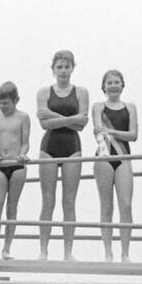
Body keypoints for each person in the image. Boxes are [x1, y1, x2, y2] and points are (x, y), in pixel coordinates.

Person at [36, 50, 89, 261]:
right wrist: (71, 118)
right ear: (53, 69)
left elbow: (83, 124)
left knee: (69, 201)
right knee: (47, 201)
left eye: (67, 67)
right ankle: (43, 250)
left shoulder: (81, 92)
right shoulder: (44, 92)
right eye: (59, 67)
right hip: (49, 146)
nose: (63, 71)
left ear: (73, 68)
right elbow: (43, 123)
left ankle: (68, 251)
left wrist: (53, 115)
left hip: (72, 146)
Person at [91, 69, 137, 262]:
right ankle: (108, 251)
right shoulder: (98, 106)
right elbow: (98, 133)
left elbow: (133, 135)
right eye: (109, 82)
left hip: (124, 156)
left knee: (126, 205)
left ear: (122, 84)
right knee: (106, 205)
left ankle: (125, 252)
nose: (113, 85)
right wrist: (109, 134)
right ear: (104, 86)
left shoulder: (130, 107)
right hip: (104, 155)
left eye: (117, 82)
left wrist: (110, 131)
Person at [0, 82, 30, 260]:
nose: (3, 107)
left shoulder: (23, 117)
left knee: (12, 206)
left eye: (6, 103)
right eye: (0, 103)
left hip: (17, 164)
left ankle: (7, 248)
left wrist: (23, 154)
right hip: (1, 164)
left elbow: (25, 141)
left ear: (15, 100)